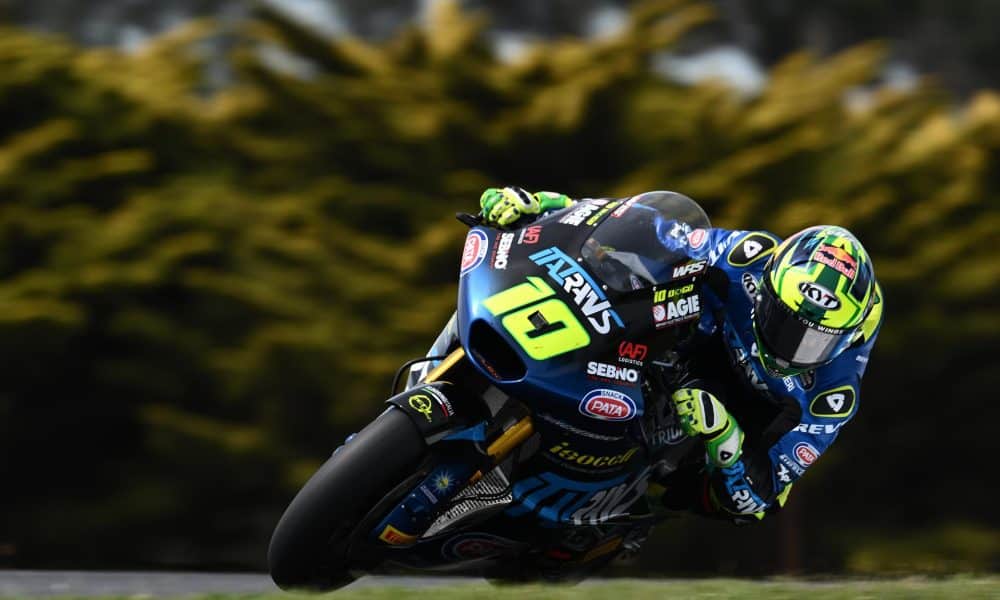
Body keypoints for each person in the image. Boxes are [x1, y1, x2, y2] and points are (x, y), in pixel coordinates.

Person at [477, 186, 884, 523]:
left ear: (847, 338)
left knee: (734, 506)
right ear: (766, 289)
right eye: (786, 323)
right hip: (691, 340)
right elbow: (653, 229)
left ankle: (626, 503)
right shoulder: (749, 258)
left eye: (816, 341)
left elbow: (763, 493)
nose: (792, 349)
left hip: (745, 413)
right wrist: (549, 206)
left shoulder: (834, 395)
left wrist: (725, 435)